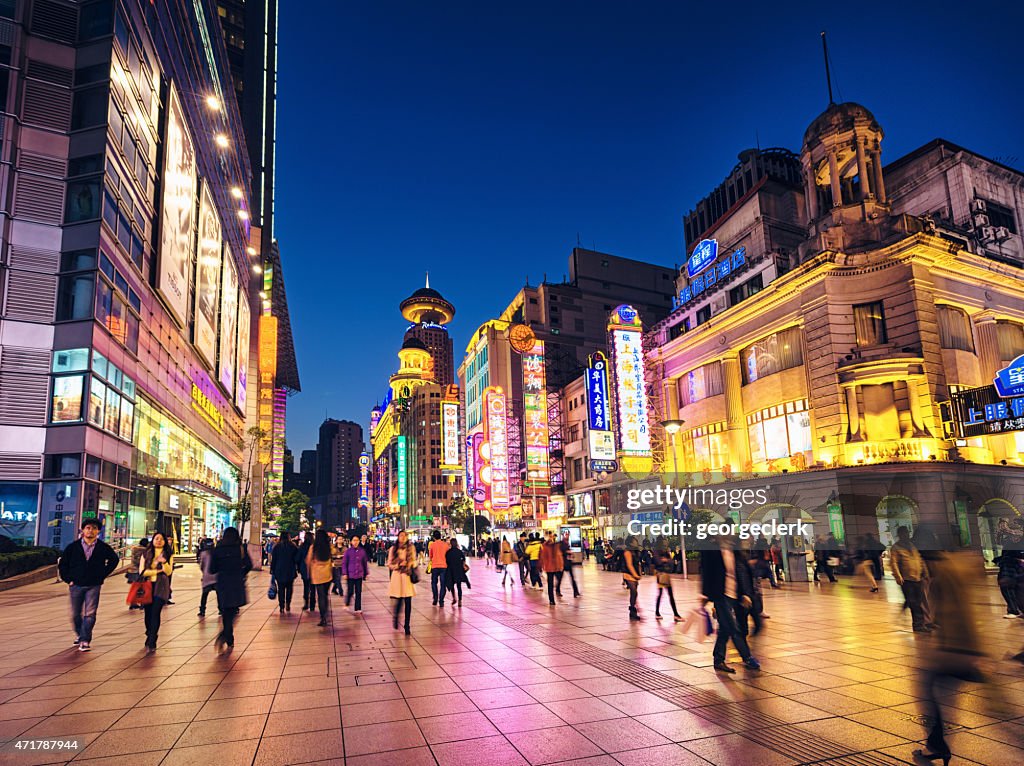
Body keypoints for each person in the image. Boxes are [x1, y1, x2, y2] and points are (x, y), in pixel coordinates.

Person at [913, 551, 986, 765]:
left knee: (927, 689)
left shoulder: (940, 575)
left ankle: (937, 745)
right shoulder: (957, 565)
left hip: (953, 649)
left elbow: (946, 613)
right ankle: (936, 744)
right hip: (966, 647)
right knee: (939, 694)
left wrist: (937, 647)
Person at [700, 534, 761, 673]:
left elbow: (740, 574)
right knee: (733, 628)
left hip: (734, 594)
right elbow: (707, 574)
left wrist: (744, 594)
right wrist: (705, 595)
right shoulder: (712, 553)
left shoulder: (735, 552)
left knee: (724, 629)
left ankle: (718, 659)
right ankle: (747, 657)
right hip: (720, 596)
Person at [58, 518, 119, 652]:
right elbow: (63, 565)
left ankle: (85, 640)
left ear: (98, 531)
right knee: (75, 614)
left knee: (90, 613)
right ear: (83, 530)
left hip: (94, 584)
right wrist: (69, 579)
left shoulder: (102, 547)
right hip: (76, 584)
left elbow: (114, 559)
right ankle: (80, 634)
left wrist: (102, 574)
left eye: (94, 528)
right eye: (88, 528)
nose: (90, 531)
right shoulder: (73, 547)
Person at [209, 526, 252, 652]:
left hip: (222, 584)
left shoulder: (218, 549)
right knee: (233, 612)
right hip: (236, 583)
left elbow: (212, 569)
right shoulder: (240, 549)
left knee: (225, 612)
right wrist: (241, 573)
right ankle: (226, 635)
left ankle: (228, 636)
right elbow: (249, 565)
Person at [890, 526, 931, 632]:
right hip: (907, 579)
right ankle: (918, 626)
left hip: (917, 578)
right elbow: (893, 563)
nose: (906, 535)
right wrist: (898, 576)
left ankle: (920, 624)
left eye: (907, 533)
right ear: (899, 535)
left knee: (918, 602)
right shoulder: (896, 547)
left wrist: (925, 571)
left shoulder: (912, 545)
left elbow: (919, 559)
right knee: (914, 603)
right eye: (903, 533)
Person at [139, 532, 174, 653]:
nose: (158, 541)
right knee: (148, 613)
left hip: (161, 587)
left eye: (161, 539)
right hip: (147, 585)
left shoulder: (168, 554)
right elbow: (142, 572)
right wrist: (157, 572)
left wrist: (164, 562)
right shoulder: (145, 553)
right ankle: (149, 633)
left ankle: (153, 638)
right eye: (156, 538)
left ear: (165, 541)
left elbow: (169, 572)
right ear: (152, 540)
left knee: (155, 612)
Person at [387, 530, 417, 634]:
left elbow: (414, 561)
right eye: (401, 535)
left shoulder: (411, 548)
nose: (403, 537)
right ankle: (395, 617)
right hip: (397, 576)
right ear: (398, 537)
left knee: (408, 601)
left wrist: (408, 564)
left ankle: (407, 625)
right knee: (399, 600)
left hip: (407, 576)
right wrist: (398, 565)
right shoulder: (393, 549)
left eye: (405, 536)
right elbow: (389, 564)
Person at [306, 529, 334, 627]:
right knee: (325, 595)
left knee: (320, 596)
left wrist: (309, 572)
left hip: (317, 575)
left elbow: (308, 561)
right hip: (327, 574)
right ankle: (325, 613)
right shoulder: (329, 547)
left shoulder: (313, 548)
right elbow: (334, 555)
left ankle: (323, 617)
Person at [270, 531, 300, 612]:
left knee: (281, 589)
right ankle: (288, 604)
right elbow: (297, 558)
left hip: (279, 570)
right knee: (289, 588)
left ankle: (281, 606)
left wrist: (272, 570)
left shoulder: (277, 547)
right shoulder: (293, 546)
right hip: (290, 570)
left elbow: (274, 560)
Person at [342, 534, 370, 613]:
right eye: (354, 540)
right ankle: (347, 603)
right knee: (350, 591)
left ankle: (358, 608)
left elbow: (364, 563)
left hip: (359, 574)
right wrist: (344, 573)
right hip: (350, 575)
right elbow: (344, 563)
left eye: (357, 540)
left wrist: (366, 573)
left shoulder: (362, 551)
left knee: (358, 592)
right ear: (351, 542)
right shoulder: (348, 551)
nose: (355, 542)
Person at [654, 544, 681, 621]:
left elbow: (671, 561)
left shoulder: (666, 551)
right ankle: (674, 614)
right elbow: (658, 561)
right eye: (664, 542)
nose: (665, 544)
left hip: (666, 574)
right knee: (663, 593)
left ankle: (674, 614)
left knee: (667, 594)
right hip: (660, 574)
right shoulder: (657, 551)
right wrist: (664, 560)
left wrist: (665, 560)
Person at [539, 532, 564, 606]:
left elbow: (559, 555)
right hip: (549, 566)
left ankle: (557, 590)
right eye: (549, 536)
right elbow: (543, 556)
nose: (551, 538)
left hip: (556, 566)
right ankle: (551, 600)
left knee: (559, 578)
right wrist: (542, 565)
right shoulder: (545, 546)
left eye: (552, 536)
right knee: (550, 583)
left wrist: (561, 564)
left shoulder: (556, 545)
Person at [445, 537, 470, 607]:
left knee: (452, 585)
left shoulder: (448, 552)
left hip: (451, 571)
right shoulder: (459, 551)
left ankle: (454, 598)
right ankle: (460, 600)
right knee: (459, 586)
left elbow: (446, 561)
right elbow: (463, 559)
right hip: (458, 570)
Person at [622, 536, 642, 621]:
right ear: (630, 543)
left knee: (634, 593)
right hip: (628, 574)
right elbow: (629, 565)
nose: (636, 542)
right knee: (634, 591)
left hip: (635, 574)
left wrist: (639, 573)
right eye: (635, 541)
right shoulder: (627, 552)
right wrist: (635, 575)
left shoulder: (636, 551)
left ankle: (632, 611)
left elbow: (638, 563)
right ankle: (632, 610)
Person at [197, 537, 218, 617]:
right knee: (219, 594)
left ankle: (202, 610)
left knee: (204, 594)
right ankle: (221, 609)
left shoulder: (203, 553)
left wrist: (204, 572)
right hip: (216, 577)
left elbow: (202, 566)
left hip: (207, 577)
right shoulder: (216, 552)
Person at [428, 530, 449, 607]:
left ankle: (435, 598)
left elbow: (430, 556)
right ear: (440, 536)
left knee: (434, 583)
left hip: (435, 566)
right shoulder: (445, 545)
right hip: (444, 566)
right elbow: (448, 555)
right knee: (443, 584)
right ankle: (441, 601)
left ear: (433, 537)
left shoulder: (432, 545)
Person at [298, 533, 315, 612]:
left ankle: (306, 603)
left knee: (306, 587)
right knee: (313, 587)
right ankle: (312, 604)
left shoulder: (302, 546)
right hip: (314, 569)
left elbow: (298, 558)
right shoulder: (315, 546)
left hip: (304, 569)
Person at [559, 533, 580, 598]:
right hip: (563, 563)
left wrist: (570, 553)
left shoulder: (566, 543)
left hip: (568, 562)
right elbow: (562, 552)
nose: (567, 536)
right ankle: (557, 590)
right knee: (560, 578)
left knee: (572, 578)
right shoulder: (562, 543)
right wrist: (568, 552)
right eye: (566, 535)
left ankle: (576, 592)